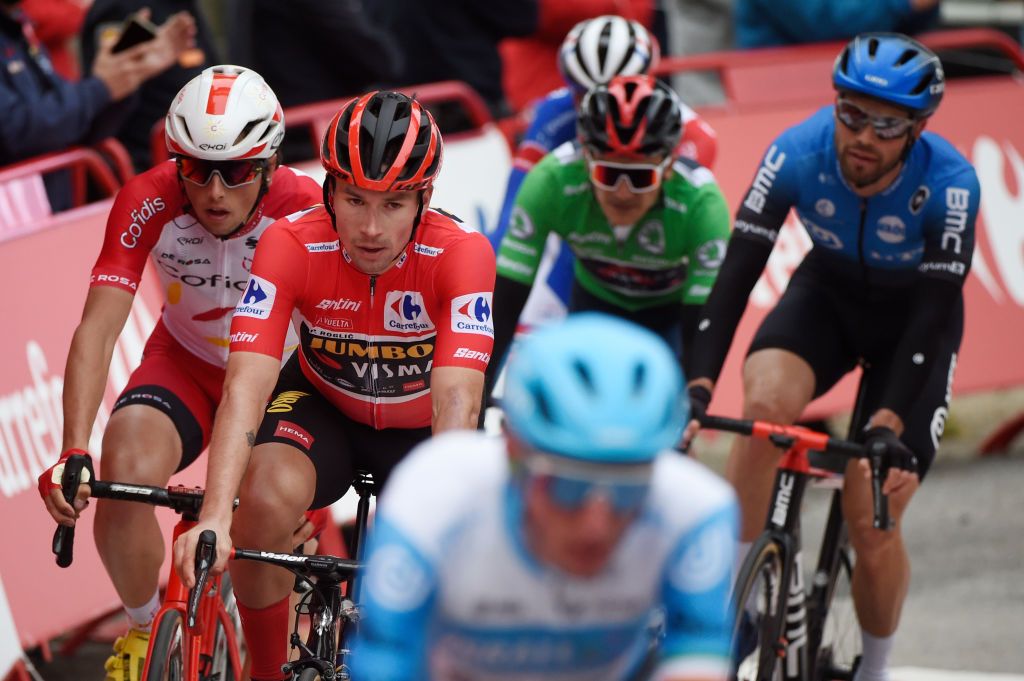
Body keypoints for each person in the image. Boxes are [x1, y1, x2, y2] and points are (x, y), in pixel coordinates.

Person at [171, 90, 497, 681]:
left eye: (394, 204)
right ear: (327, 190)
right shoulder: (291, 242)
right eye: (353, 200)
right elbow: (247, 379)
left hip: (421, 430)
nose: (371, 228)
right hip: (323, 403)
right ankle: (265, 671)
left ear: (425, 199)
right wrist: (216, 516)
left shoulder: (462, 253)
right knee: (262, 499)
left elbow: (457, 399)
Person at [683, 34, 979, 681]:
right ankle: (733, 613)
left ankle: (874, 669)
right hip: (829, 295)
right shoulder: (796, 150)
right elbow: (735, 276)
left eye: (887, 124)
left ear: (918, 128)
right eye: (851, 114)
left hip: (913, 324)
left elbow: (933, 316)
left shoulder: (952, 184)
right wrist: (698, 385)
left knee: (869, 511)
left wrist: (887, 425)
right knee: (762, 408)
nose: (863, 136)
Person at [37, 65, 323, 681]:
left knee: (273, 517)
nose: (215, 191)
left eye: (238, 171)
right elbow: (98, 329)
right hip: (187, 363)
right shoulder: (147, 198)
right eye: (194, 168)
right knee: (124, 462)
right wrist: (72, 448)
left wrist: (319, 492)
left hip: (283, 382)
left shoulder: (304, 209)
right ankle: (145, 633)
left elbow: (342, 340)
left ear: (270, 163)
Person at [349, 312, 738, 681]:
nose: (595, 525)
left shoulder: (695, 509)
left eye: (628, 490)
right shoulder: (435, 498)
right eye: (568, 486)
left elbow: (697, 655)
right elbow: (386, 664)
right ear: (513, 454)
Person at [487, 74, 730, 401]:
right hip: (593, 301)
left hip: (668, 313)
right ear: (586, 160)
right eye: (609, 173)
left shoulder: (701, 203)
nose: (623, 192)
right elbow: (504, 308)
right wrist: (481, 394)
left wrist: (693, 399)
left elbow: (702, 326)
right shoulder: (551, 181)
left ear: (670, 165)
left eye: (640, 177)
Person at [488, 15, 718, 329]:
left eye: (619, 91)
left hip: (649, 269)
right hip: (584, 235)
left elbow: (673, 212)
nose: (599, 108)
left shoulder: (688, 133)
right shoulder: (552, 114)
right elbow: (513, 210)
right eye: (583, 95)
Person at [0, 0, 194, 207]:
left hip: (56, 213)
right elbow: (15, 131)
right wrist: (100, 88)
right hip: (21, 223)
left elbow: (74, 127)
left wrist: (124, 79)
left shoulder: (16, 28)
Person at [81, 1, 218, 172]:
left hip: (204, 150)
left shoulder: (182, 5)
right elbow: (106, 114)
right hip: (157, 165)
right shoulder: (121, 8)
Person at [735, 0, 940, 49]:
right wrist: (904, 4)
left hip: (868, 77)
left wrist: (922, 8)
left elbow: (908, 24)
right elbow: (822, 24)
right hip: (780, 89)